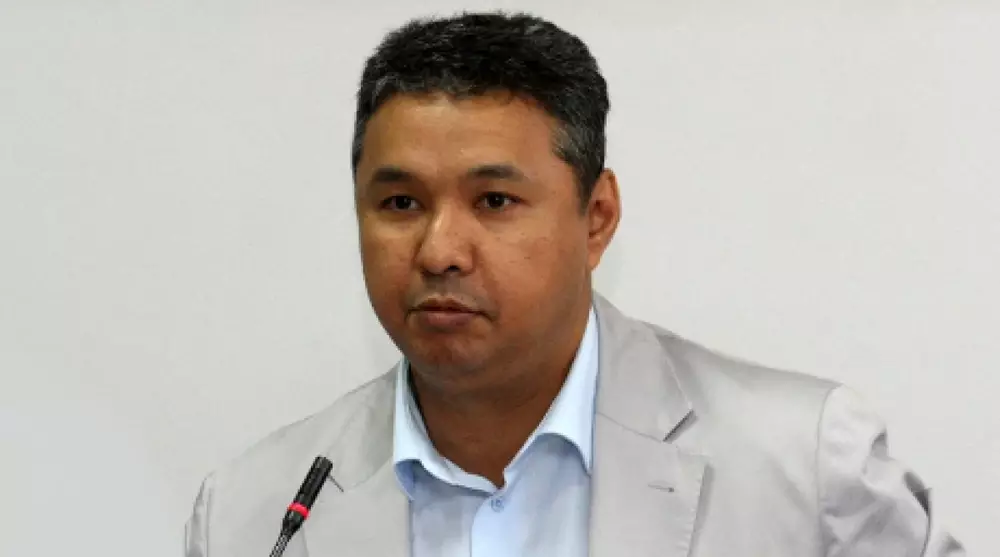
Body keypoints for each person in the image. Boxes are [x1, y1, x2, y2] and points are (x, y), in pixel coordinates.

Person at [184, 11, 963, 557]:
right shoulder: (250, 514)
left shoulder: (805, 467)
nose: (439, 249)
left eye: (494, 200)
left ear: (597, 218)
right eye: (400, 204)